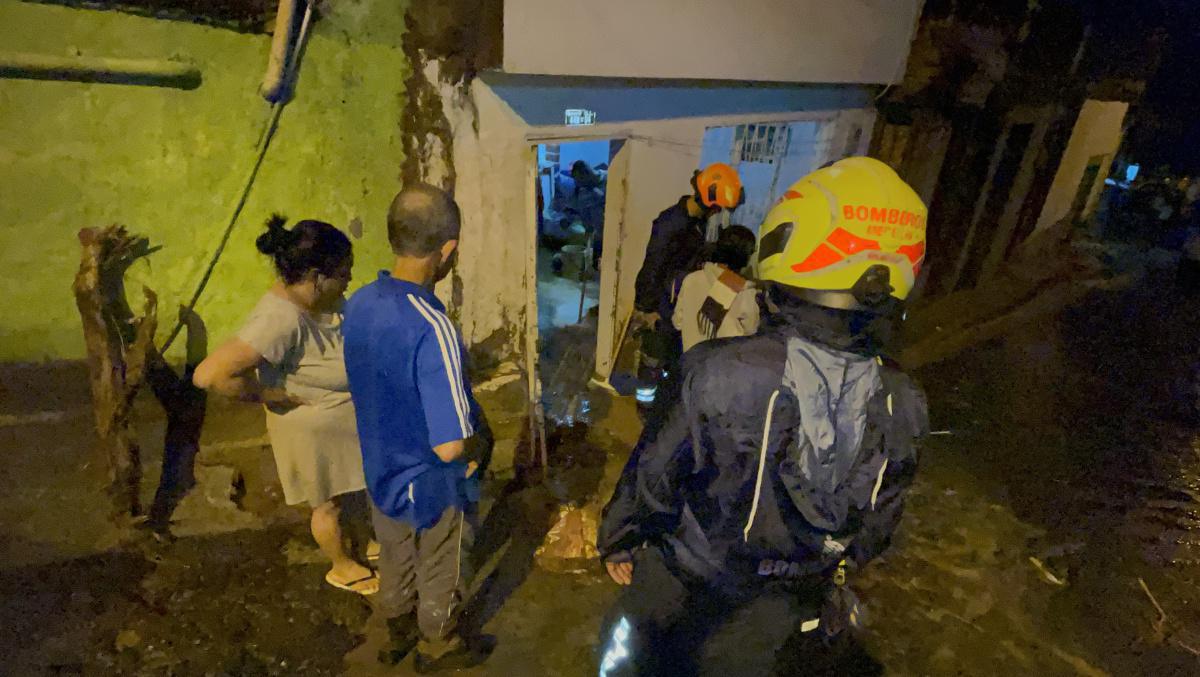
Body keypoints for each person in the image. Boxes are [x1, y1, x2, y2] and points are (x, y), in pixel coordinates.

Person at [596, 157, 930, 676]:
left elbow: (654, 476)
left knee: (631, 662)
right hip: (785, 604)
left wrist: (619, 537)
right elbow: (877, 524)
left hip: (687, 585)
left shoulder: (715, 371)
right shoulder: (904, 400)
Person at [342, 184, 494, 673]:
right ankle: (438, 642)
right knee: (442, 560)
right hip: (430, 480)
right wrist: (476, 449)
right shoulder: (433, 324)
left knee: (394, 551)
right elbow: (450, 446)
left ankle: (395, 627)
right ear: (446, 250)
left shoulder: (360, 303)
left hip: (381, 465)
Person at [194, 215, 378, 595]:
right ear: (315, 276)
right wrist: (266, 395)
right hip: (311, 429)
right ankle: (342, 566)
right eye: (343, 273)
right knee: (327, 505)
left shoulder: (320, 298)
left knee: (354, 489)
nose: (349, 280)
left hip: (341, 421)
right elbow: (210, 374)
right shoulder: (280, 318)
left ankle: (364, 542)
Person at [632, 163, 744, 424]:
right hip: (660, 306)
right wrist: (646, 308)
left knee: (671, 359)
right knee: (653, 360)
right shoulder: (671, 225)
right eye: (718, 207)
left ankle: (661, 404)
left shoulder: (695, 223)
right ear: (708, 201)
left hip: (675, 305)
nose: (718, 212)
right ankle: (644, 410)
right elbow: (652, 266)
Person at [671, 224, 760, 353]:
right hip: (724, 361)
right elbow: (751, 330)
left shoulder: (691, 279)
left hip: (691, 359)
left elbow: (677, 323)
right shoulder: (744, 290)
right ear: (746, 257)